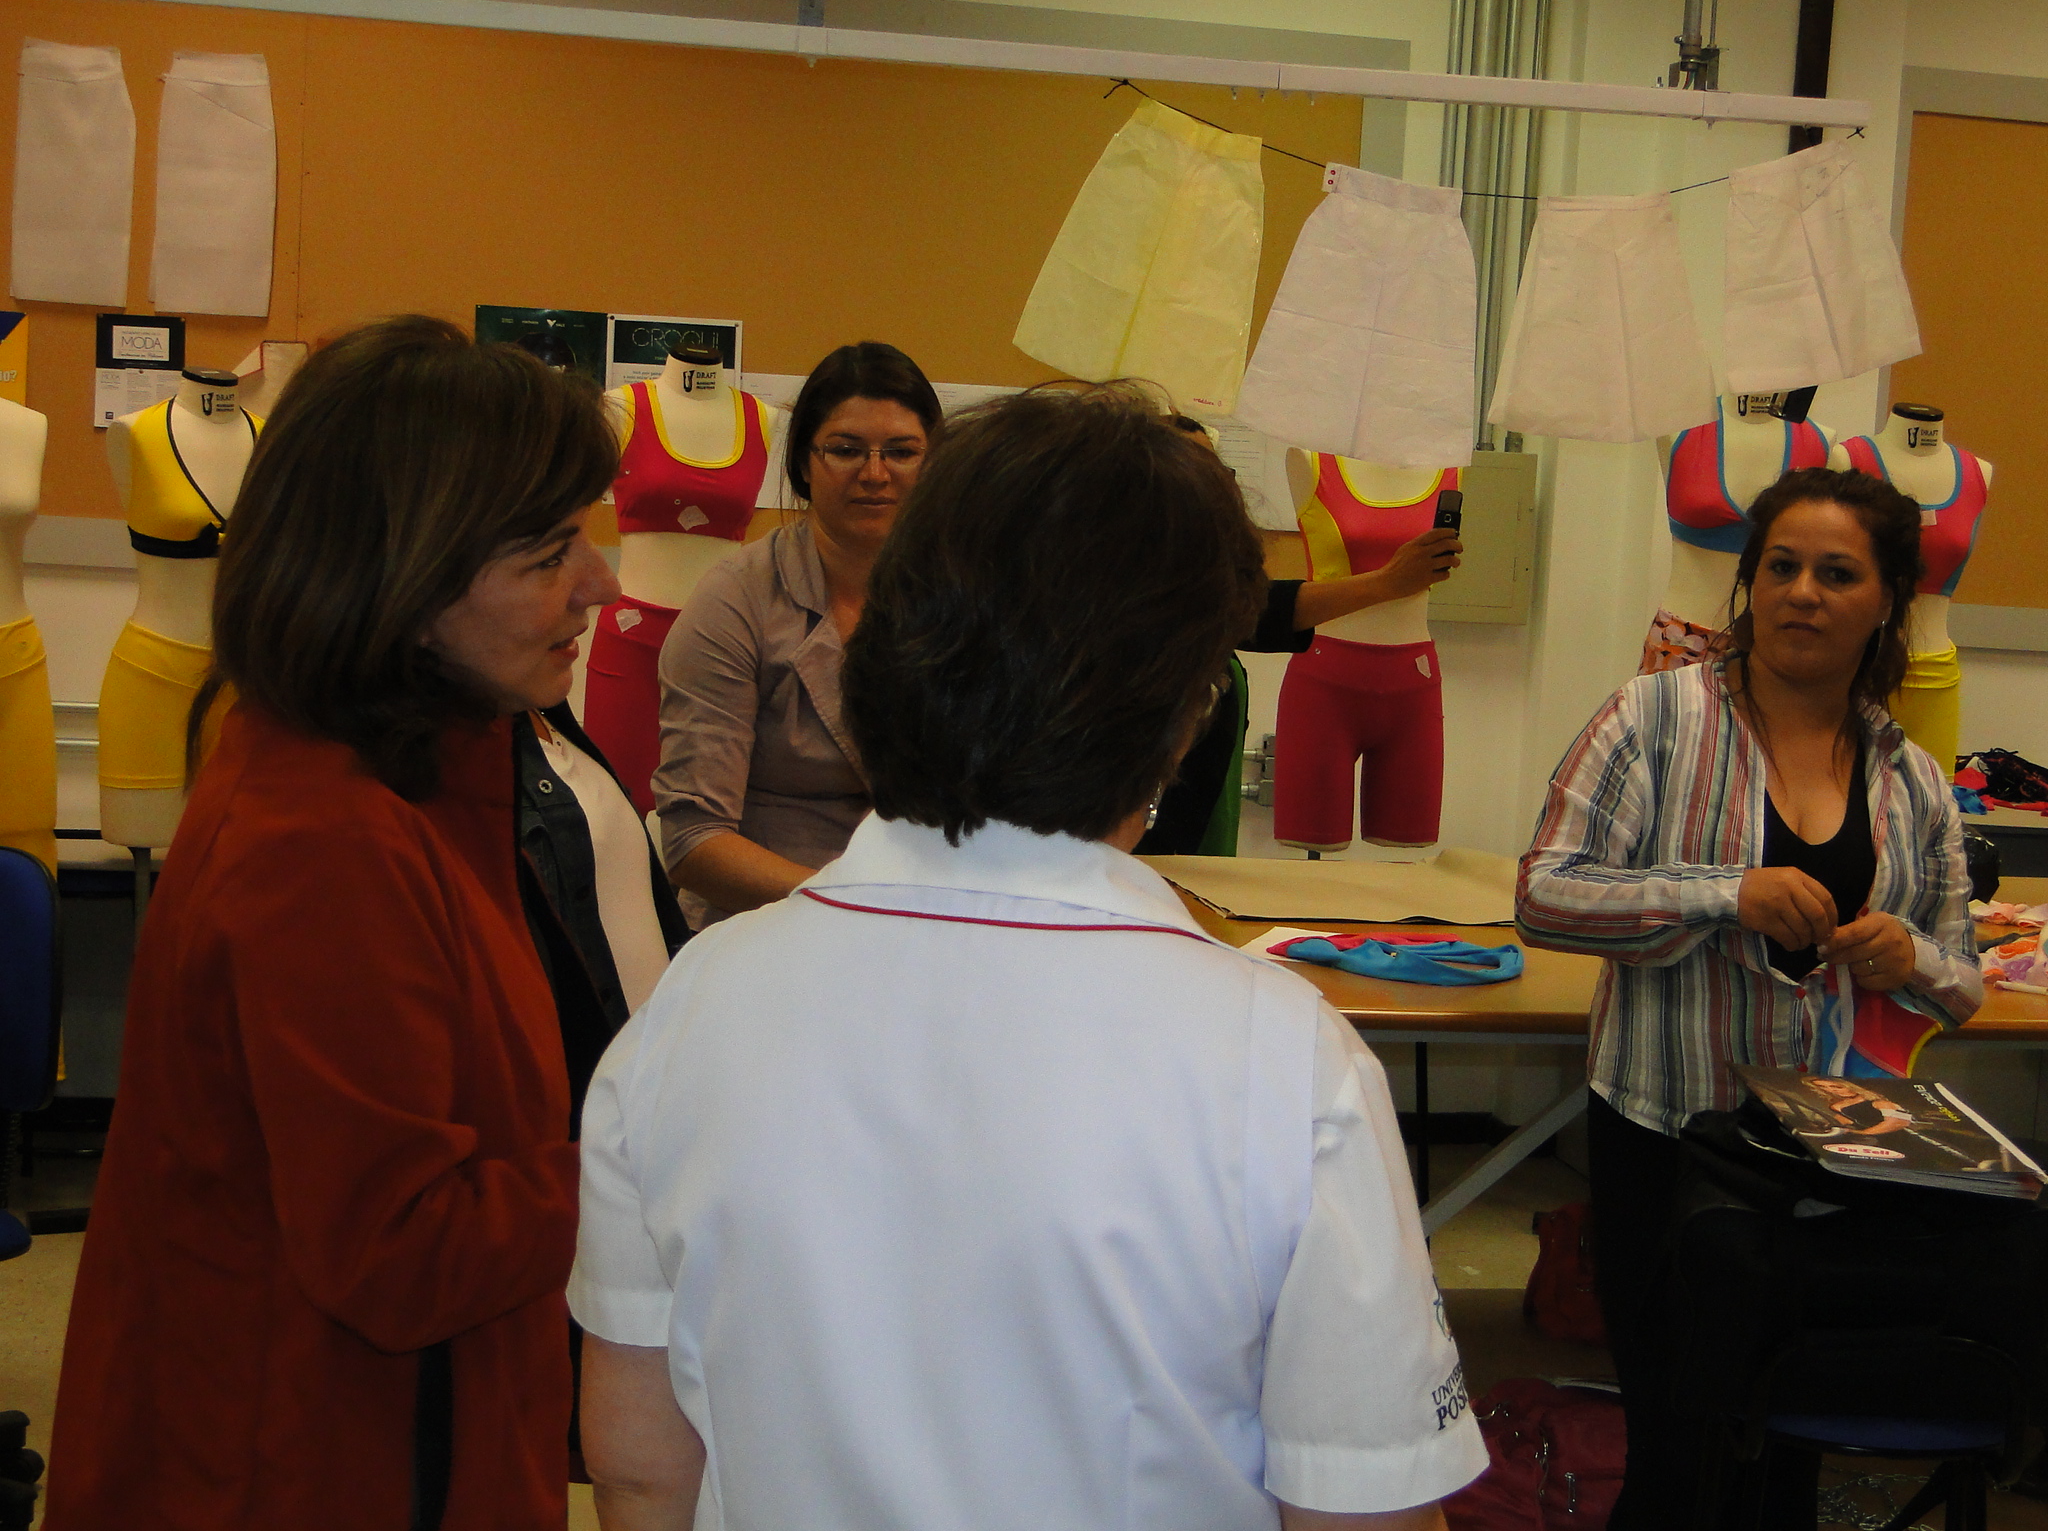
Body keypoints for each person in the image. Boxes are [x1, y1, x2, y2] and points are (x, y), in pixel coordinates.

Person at [571, 385, 1487, 1531]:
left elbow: (640, 1467)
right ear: (1186, 713)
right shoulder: (1281, 1060)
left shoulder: (688, 1009)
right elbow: (1362, 1509)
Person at [45, 317, 628, 1531]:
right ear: (401, 582)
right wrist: (668, 1168)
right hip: (314, 1463)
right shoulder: (327, 839)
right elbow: (403, 1250)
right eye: (547, 553)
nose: (599, 584)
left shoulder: (414, 775)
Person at [1516, 466, 1982, 1529]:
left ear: (1886, 602)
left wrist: (1906, 955)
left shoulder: (1908, 776)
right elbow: (1543, 897)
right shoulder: (1652, 719)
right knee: (1675, 1450)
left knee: (1780, 1450)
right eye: (1780, 567)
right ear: (1749, 584)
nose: (1801, 593)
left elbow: (1961, 983)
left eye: (1836, 574)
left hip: (1824, 1158)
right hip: (1666, 1134)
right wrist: (1725, 893)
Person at [652, 341, 941, 927]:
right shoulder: (735, 600)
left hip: (933, 914)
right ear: (803, 464)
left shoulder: (969, 592)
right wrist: (854, 908)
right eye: (846, 450)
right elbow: (694, 842)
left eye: (902, 452)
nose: (875, 474)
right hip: (768, 920)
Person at [1139, 413, 1462, 854]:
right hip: (1324, 677)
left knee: (1207, 837)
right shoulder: (1140, 597)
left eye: (1221, 473)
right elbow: (1250, 611)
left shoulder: (1209, 594)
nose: (1221, 488)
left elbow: (1249, 608)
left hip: (1412, 674)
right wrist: (1389, 581)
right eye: (1200, 472)